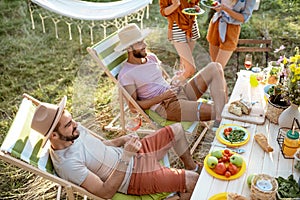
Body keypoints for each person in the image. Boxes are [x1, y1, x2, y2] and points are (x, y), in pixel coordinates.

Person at [30, 95, 201, 200]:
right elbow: (105, 192)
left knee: (177, 130)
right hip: (133, 177)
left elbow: (100, 147)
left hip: (132, 154)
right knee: (194, 182)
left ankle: (191, 165)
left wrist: (122, 140)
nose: (76, 124)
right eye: (69, 124)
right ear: (53, 136)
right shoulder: (68, 164)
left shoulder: (72, 133)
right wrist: (126, 157)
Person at [115, 23, 227, 128]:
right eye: (139, 43)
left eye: (143, 41)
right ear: (129, 48)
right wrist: (163, 96)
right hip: (166, 106)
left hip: (177, 92)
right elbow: (134, 107)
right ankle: (220, 118)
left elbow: (162, 79)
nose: (145, 45)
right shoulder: (126, 74)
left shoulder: (151, 58)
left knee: (215, 67)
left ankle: (220, 117)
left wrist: (175, 80)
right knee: (220, 110)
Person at [206, 0, 256, 68]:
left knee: (217, 68)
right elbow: (216, 2)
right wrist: (216, 6)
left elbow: (244, 18)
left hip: (232, 29)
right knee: (214, 67)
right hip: (216, 22)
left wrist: (225, 9)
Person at [159, 0, 201, 81]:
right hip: (177, 27)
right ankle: (172, 85)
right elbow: (163, 11)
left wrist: (195, 7)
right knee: (190, 69)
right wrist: (175, 5)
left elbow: (194, 3)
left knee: (183, 67)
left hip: (191, 25)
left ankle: (178, 88)